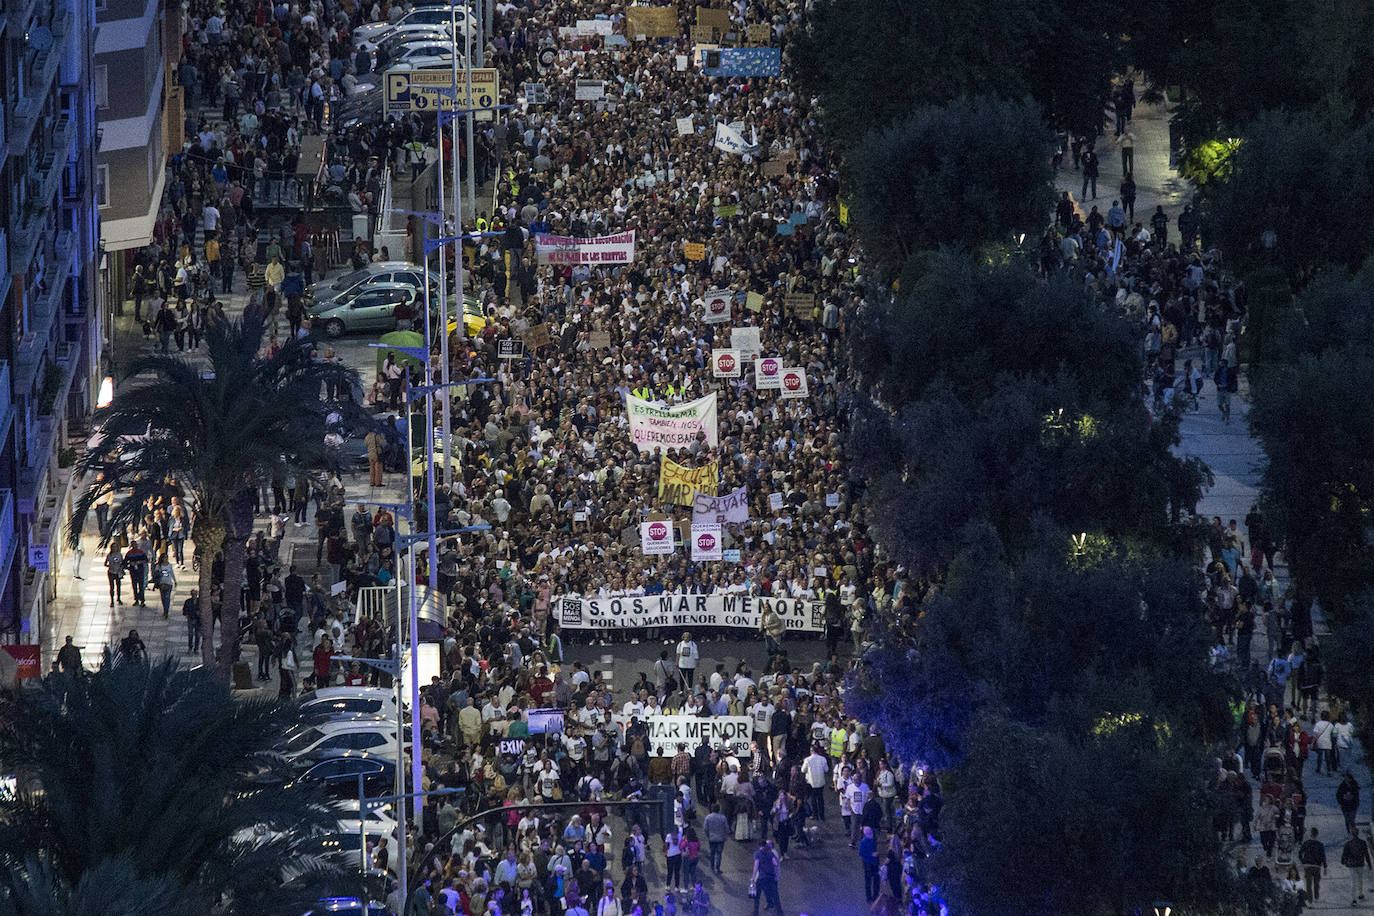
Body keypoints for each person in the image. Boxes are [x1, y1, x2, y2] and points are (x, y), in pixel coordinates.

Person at [750, 839, 782, 916]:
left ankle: (755, 912)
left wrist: (753, 877)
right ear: (765, 846)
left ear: (759, 846)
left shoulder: (757, 854)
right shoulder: (771, 853)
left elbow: (756, 866)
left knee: (757, 896)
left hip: (762, 877)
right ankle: (780, 912)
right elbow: (775, 863)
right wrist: (776, 874)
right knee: (775, 895)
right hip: (771, 877)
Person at [1343, 828, 1372, 905]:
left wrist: (1345, 862)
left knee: (1353, 881)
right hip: (1360, 864)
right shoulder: (1363, 843)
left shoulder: (1347, 844)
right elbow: (1367, 855)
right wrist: (1369, 864)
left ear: (1351, 834)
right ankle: (1360, 894)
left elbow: (1344, 855)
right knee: (1360, 880)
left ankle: (1353, 899)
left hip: (1352, 865)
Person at [1299, 827, 1326, 902]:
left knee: (1308, 884)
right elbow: (1323, 856)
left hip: (1307, 866)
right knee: (1316, 883)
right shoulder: (1320, 844)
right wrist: (1325, 866)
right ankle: (1316, 897)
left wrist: (1303, 861)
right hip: (1317, 866)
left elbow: (1300, 853)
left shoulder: (1306, 843)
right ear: (1317, 834)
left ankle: (1310, 900)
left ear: (1310, 834)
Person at [702, 804, 728, 874]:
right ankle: (718, 868)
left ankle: (712, 867)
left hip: (712, 838)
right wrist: (725, 836)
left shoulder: (708, 817)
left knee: (712, 853)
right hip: (720, 838)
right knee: (719, 854)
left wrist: (708, 835)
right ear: (719, 809)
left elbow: (705, 828)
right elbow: (726, 828)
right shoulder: (723, 817)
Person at [858, 825, 880, 902]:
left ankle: (876, 896)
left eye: (871, 832)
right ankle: (869, 897)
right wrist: (871, 854)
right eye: (869, 833)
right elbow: (861, 853)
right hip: (868, 863)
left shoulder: (873, 839)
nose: (871, 834)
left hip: (875, 862)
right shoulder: (863, 842)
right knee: (868, 881)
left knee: (876, 880)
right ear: (865, 834)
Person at [183, 590, 201, 654]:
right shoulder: (188, 601)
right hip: (191, 619)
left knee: (198, 635)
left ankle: (196, 648)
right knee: (190, 635)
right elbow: (185, 610)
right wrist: (187, 616)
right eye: (193, 594)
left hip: (198, 620)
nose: (194, 596)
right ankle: (190, 648)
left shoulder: (200, 601)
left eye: (195, 594)